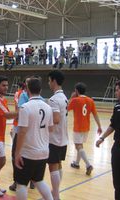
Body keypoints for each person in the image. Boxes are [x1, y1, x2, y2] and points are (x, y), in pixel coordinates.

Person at [14, 77, 54, 200]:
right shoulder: (48, 107)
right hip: (43, 152)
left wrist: (17, 153)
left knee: (21, 184)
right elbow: (51, 129)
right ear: (40, 90)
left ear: (27, 90)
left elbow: (22, 132)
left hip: (28, 152)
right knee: (39, 180)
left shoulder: (26, 107)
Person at [68, 82, 102, 175]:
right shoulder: (90, 100)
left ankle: (88, 165)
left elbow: (66, 108)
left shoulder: (75, 100)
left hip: (78, 127)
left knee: (78, 146)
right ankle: (76, 163)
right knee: (80, 145)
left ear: (76, 91)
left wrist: (71, 97)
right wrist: (99, 126)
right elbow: (95, 114)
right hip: (86, 127)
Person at [47, 70, 68, 200]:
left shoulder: (54, 99)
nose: (48, 83)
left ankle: (56, 195)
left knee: (53, 166)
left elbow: (55, 119)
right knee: (58, 164)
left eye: (49, 81)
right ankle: (56, 192)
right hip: (63, 137)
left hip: (54, 138)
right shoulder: (64, 97)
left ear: (54, 81)